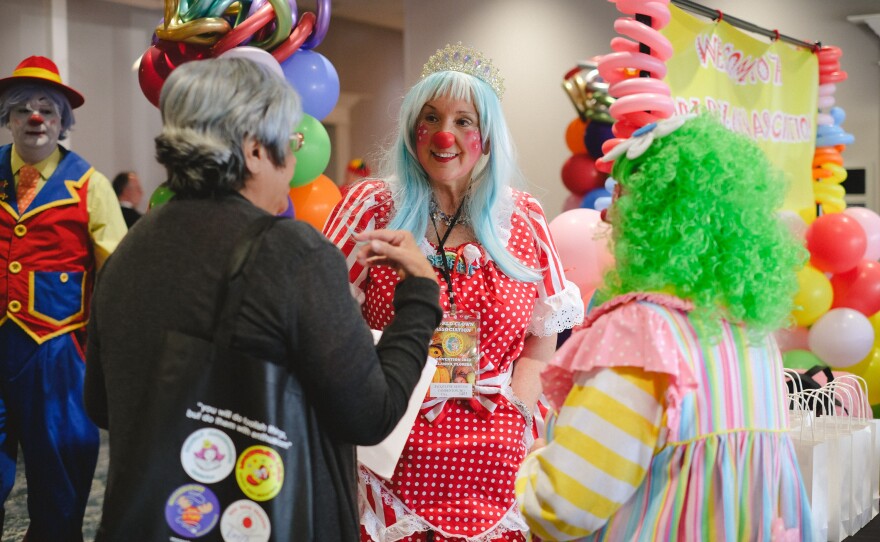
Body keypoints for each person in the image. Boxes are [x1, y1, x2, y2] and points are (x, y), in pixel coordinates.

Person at [83, 57, 442, 540]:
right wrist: (419, 294)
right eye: (290, 144)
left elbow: (101, 405)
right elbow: (371, 414)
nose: (293, 165)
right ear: (254, 150)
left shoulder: (129, 252)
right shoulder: (290, 253)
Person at [323, 43, 584, 541]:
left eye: (465, 121)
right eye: (431, 117)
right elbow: (326, 319)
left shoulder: (523, 217)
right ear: (412, 129)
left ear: (487, 137)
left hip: (497, 460)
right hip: (391, 455)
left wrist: (519, 411)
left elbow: (542, 335)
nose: (446, 135)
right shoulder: (372, 206)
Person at [516, 114, 813, 540]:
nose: (606, 217)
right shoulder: (752, 335)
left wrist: (526, 461)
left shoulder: (641, 333)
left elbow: (562, 504)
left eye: (620, 195)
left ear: (656, 214)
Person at [0, 55, 126, 541]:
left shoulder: (90, 185)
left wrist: (106, 353)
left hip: (57, 354)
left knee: (60, 475)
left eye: (47, 109)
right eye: (24, 109)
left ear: (62, 121)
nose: (36, 118)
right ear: (9, 118)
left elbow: (116, 275)